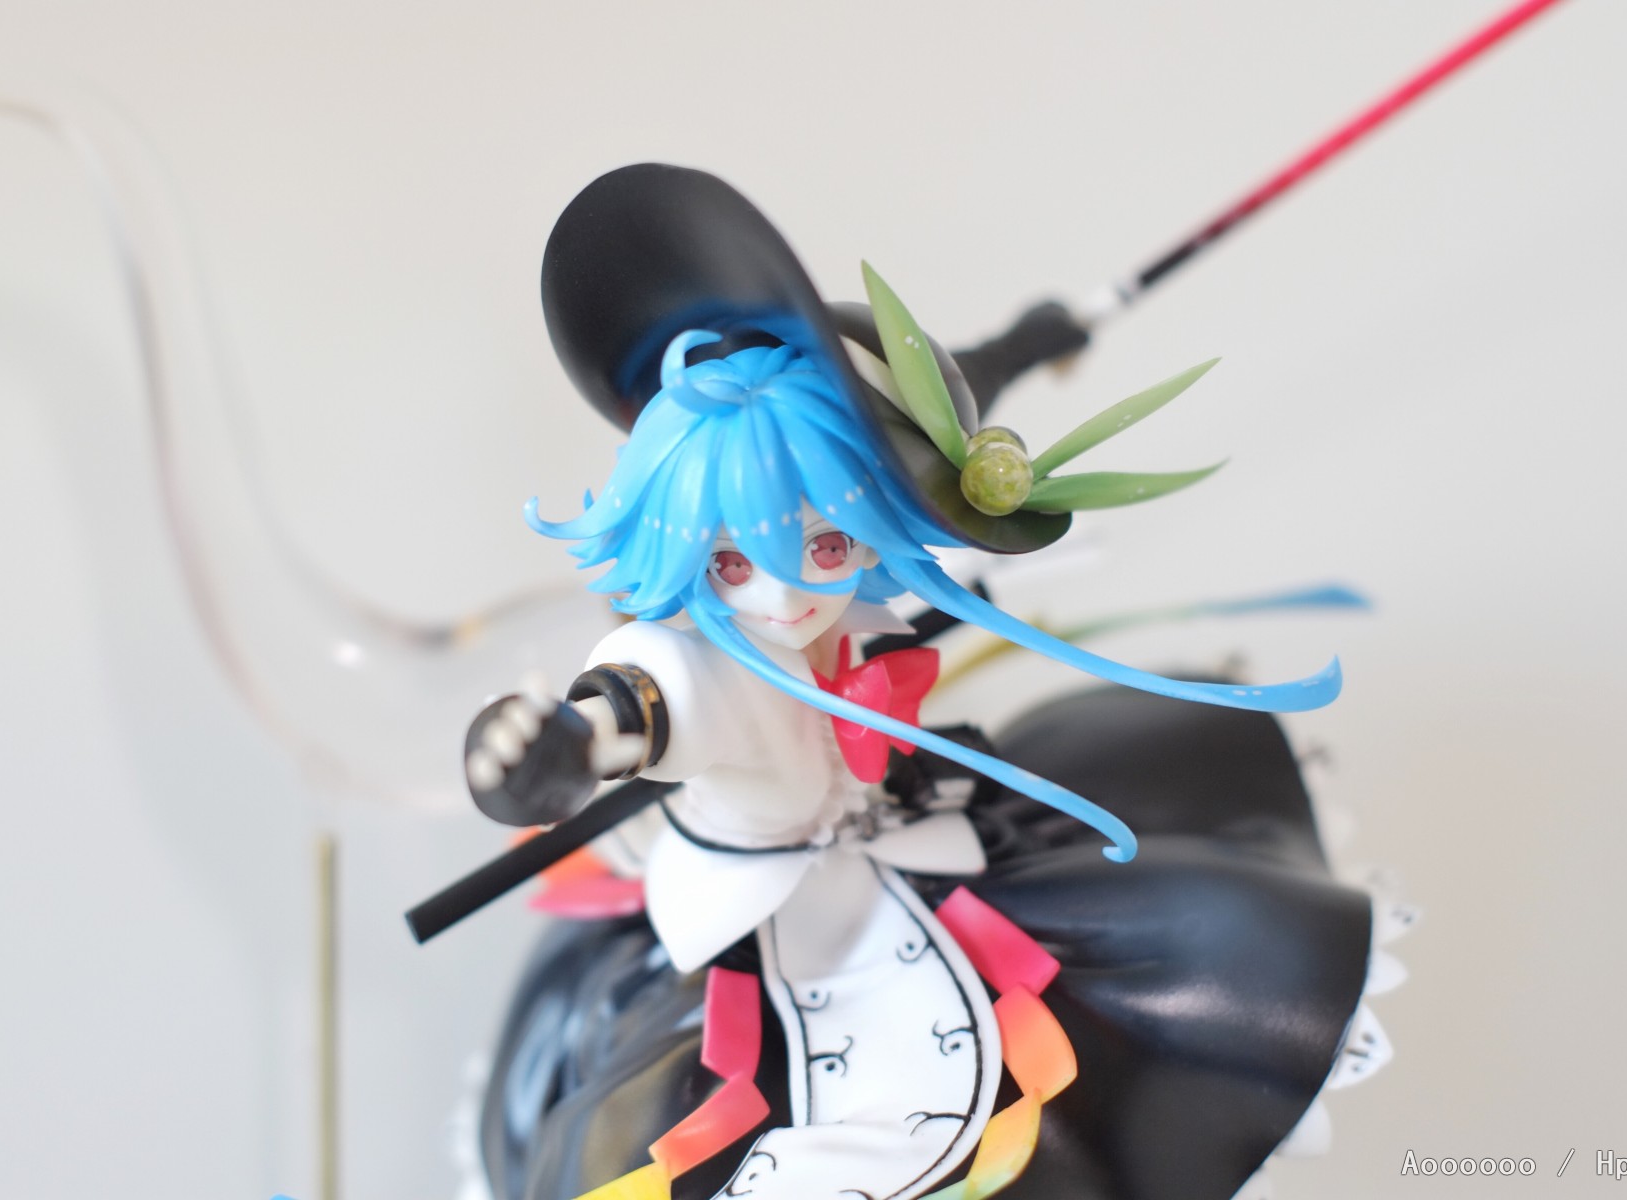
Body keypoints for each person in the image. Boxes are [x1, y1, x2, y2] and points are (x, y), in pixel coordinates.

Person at [460, 164, 1388, 1200]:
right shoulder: (700, 669)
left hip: (909, 850)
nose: (784, 594)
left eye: (824, 544)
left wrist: (1032, 340)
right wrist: (550, 751)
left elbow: (935, 408)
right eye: (732, 562)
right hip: (786, 938)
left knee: (1210, 958)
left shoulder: (851, 586)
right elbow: (634, 707)